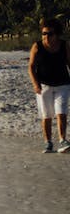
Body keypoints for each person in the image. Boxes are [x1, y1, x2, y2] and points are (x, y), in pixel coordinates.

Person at [29, 19, 70, 153]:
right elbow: (31, 67)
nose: (46, 36)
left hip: (62, 84)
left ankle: (63, 140)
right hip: (43, 86)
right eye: (44, 33)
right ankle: (48, 142)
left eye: (49, 33)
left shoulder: (64, 45)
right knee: (46, 115)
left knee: (61, 112)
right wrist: (35, 84)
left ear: (57, 34)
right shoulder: (37, 46)